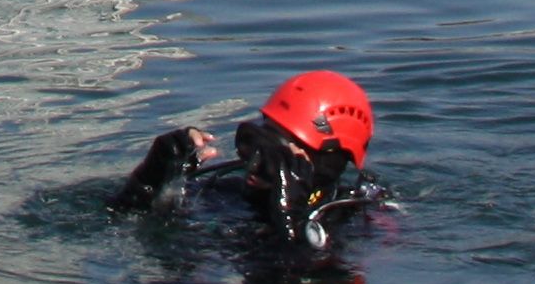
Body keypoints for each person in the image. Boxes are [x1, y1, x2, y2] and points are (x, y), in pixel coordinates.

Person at [110, 69, 388, 259]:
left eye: (278, 154)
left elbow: (299, 282)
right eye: (260, 145)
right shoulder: (222, 192)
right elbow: (116, 224)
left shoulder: (354, 219)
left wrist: (289, 212)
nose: (257, 163)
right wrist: (152, 176)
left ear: (329, 160)